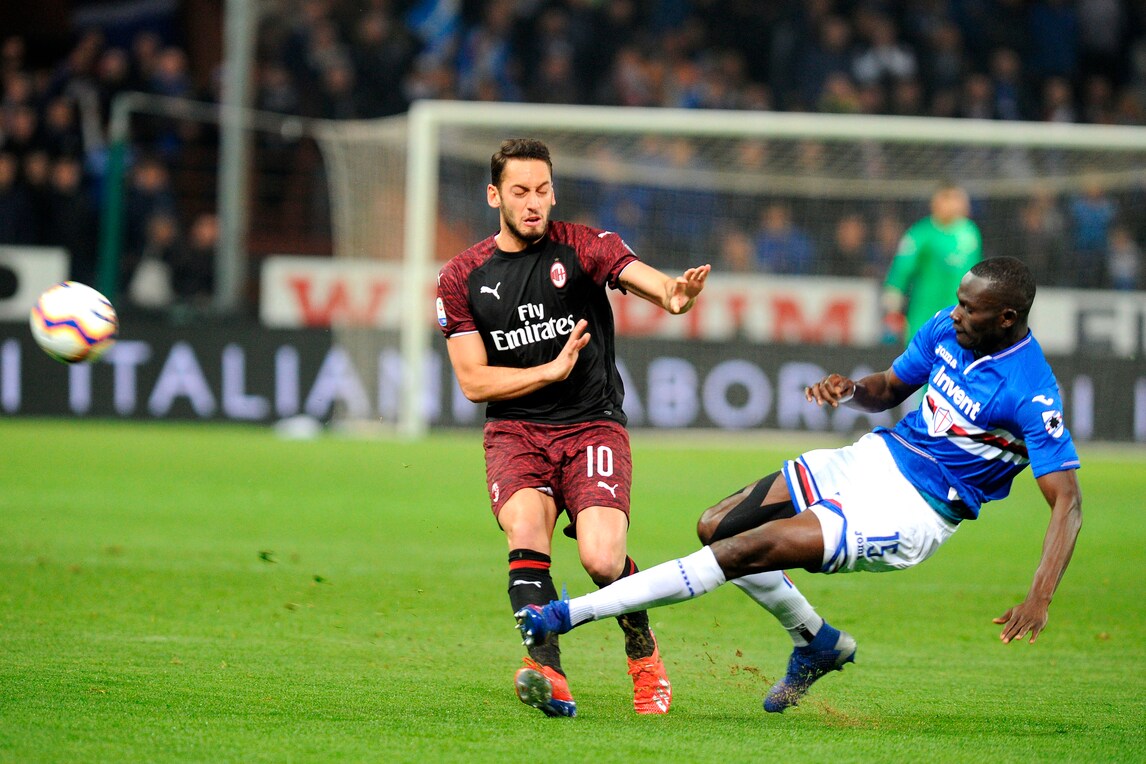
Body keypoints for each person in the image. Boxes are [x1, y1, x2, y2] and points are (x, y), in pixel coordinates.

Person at [517, 257, 1082, 713]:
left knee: (744, 551)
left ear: (1006, 317)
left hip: (914, 511)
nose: (955, 314)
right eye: (958, 301)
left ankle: (567, 615)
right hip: (873, 458)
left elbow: (1068, 503)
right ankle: (816, 641)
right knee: (717, 526)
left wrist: (1040, 596)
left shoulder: (1031, 392)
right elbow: (890, 388)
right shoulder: (946, 329)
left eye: (969, 308)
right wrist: (851, 390)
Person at [436, 138, 710, 718]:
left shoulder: (586, 246)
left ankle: (643, 651)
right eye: (520, 191)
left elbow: (653, 284)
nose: (533, 202)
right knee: (525, 531)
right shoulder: (461, 276)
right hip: (516, 431)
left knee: (603, 560)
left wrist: (676, 295)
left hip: (592, 426)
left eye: (543, 190)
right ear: (494, 197)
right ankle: (549, 674)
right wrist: (548, 371)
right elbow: (474, 382)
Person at [882, 183, 982, 344]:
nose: (954, 204)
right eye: (948, 198)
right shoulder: (920, 234)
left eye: (958, 199)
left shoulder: (970, 233)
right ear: (935, 203)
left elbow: (976, 274)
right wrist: (892, 307)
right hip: (925, 317)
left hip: (959, 318)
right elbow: (900, 270)